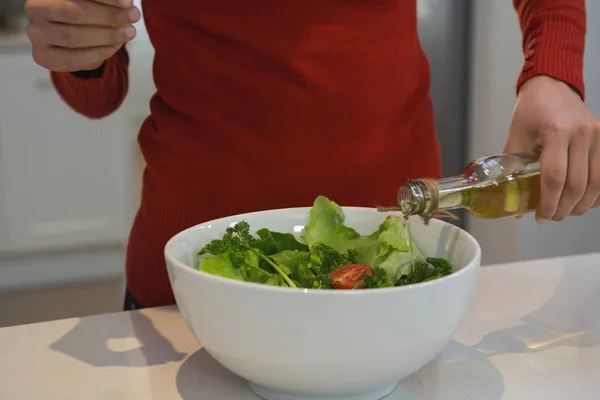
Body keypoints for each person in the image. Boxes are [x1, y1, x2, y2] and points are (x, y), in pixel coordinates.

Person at [24, 0, 599, 310]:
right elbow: (97, 88)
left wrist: (553, 74)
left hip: (392, 273)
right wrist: (80, 48)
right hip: (195, 283)